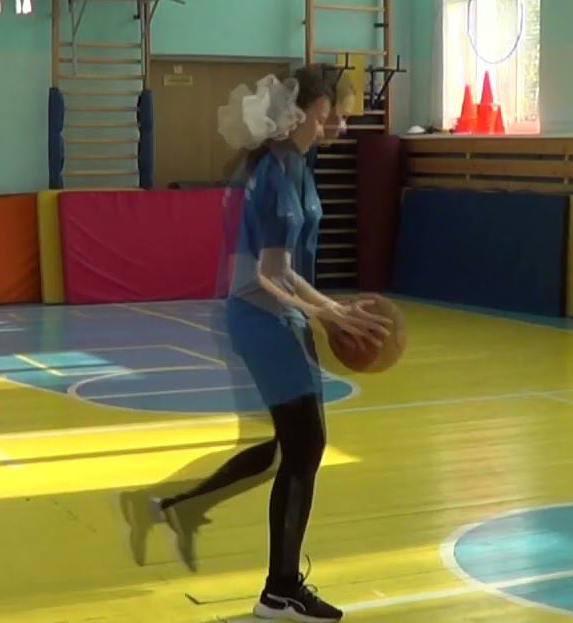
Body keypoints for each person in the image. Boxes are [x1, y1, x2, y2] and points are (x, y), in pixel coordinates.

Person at [120, 64, 389, 622]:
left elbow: (289, 271)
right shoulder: (272, 173)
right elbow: (269, 275)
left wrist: (331, 311)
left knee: (293, 448)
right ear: (305, 112)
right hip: (262, 320)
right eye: (332, 111)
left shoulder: (296, 165)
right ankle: (279, 588)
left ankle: (261, 571)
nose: (341, 121)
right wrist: (330, 313)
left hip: (280, 318)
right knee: (304, 445)